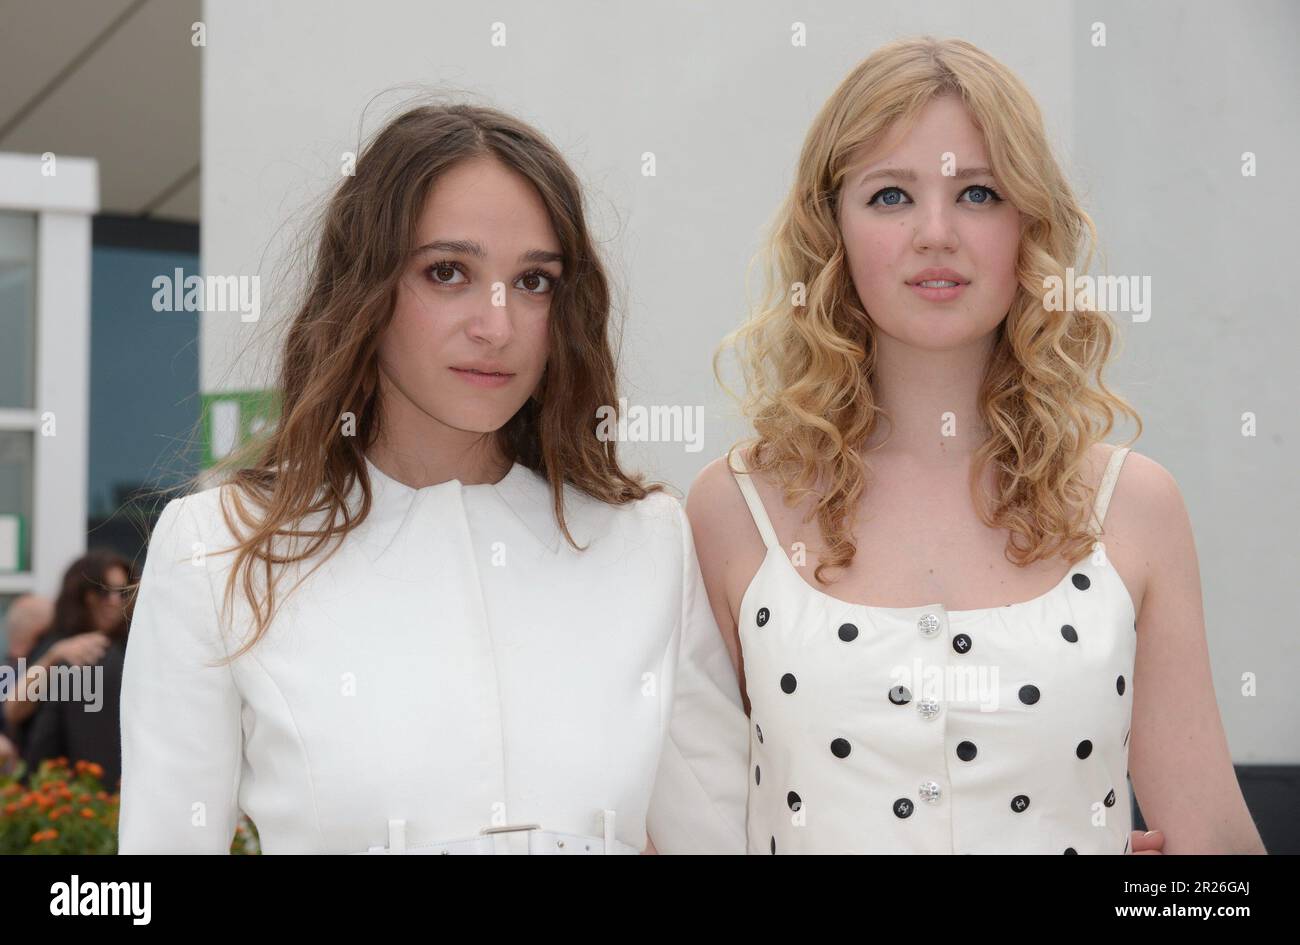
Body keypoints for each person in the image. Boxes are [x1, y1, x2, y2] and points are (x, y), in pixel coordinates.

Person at [119, 102, 749, 854]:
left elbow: (724, 835)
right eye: (447, 272)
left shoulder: (646, 542)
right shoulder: (221, 548)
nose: (497, 324)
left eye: (534, 281)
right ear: (365, 288)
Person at [687, 37, 1263, 854]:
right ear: (832, 229)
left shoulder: (1135, 508)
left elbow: (1216, 862)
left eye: (979, 193)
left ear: (1029, 223)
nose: (935, 232)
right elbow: (693, 828)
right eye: (890, 195)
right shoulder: (730, 508)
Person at [20, 553, 133, 788]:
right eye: (104, 591)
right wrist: (53, 658)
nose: (114, 601)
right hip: (58, 792)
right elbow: (13, 709)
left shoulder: (131, 649)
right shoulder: (55, 647)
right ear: (82, 595)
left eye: (122, 592)